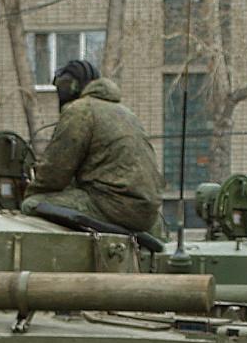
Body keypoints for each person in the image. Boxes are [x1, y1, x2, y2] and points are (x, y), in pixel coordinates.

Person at [18, 59, 165, 238]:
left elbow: (55, 173)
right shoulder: (125, 112)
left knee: (32, 204)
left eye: (63, 85)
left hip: (112, 205)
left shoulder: (80, 110)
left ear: (74, 86)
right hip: (146, 212)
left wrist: (30, 192)